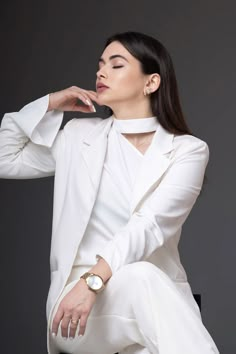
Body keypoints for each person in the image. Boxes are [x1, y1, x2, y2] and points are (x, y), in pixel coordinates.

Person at [0, 31, 219, 354]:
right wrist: (50, 103)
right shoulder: (78, 137)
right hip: (75, 309)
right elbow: (5, 157)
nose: (101, 72)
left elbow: (151, 224)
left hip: (149, 306)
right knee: (144, 279)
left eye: (116, 65)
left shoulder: (187, 151)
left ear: (151, 82)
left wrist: (96, 279)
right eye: (100, 65)